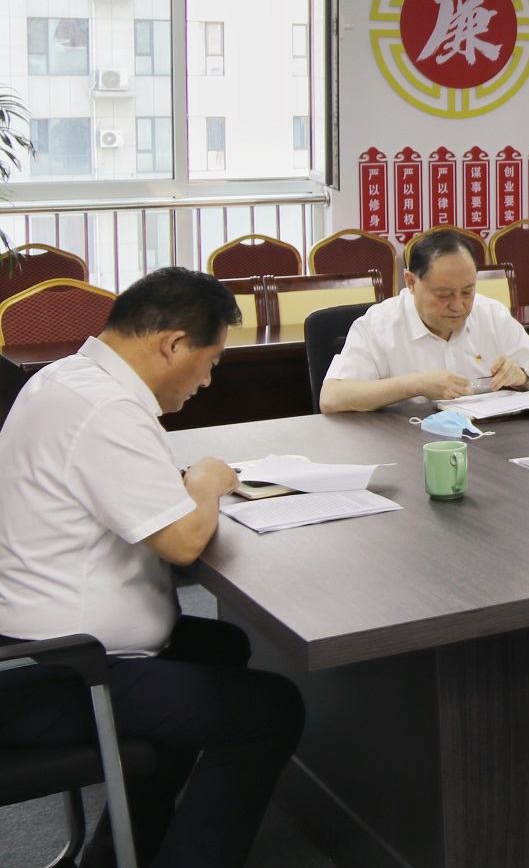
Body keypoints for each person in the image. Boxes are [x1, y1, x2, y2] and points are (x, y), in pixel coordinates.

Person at [0, 268, 304, 868]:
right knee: (271, 710)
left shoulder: (66, 378)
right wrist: (206, 480)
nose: (208, 380)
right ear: (173, 344)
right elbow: (183, 542)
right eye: (209, 362)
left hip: (38, 645)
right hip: (57, 670)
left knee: (218, 648)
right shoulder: (105, 409)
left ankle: (121, 852)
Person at [320, 228, 529, 412]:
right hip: (404, 444)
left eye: (467, 292)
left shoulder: (492, 314)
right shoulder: (379, 325)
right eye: (444, 295)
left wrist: (524, 377)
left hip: (487, 441)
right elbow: (331, 398)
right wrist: (414, 385)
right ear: (411, 282)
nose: (458, 306)